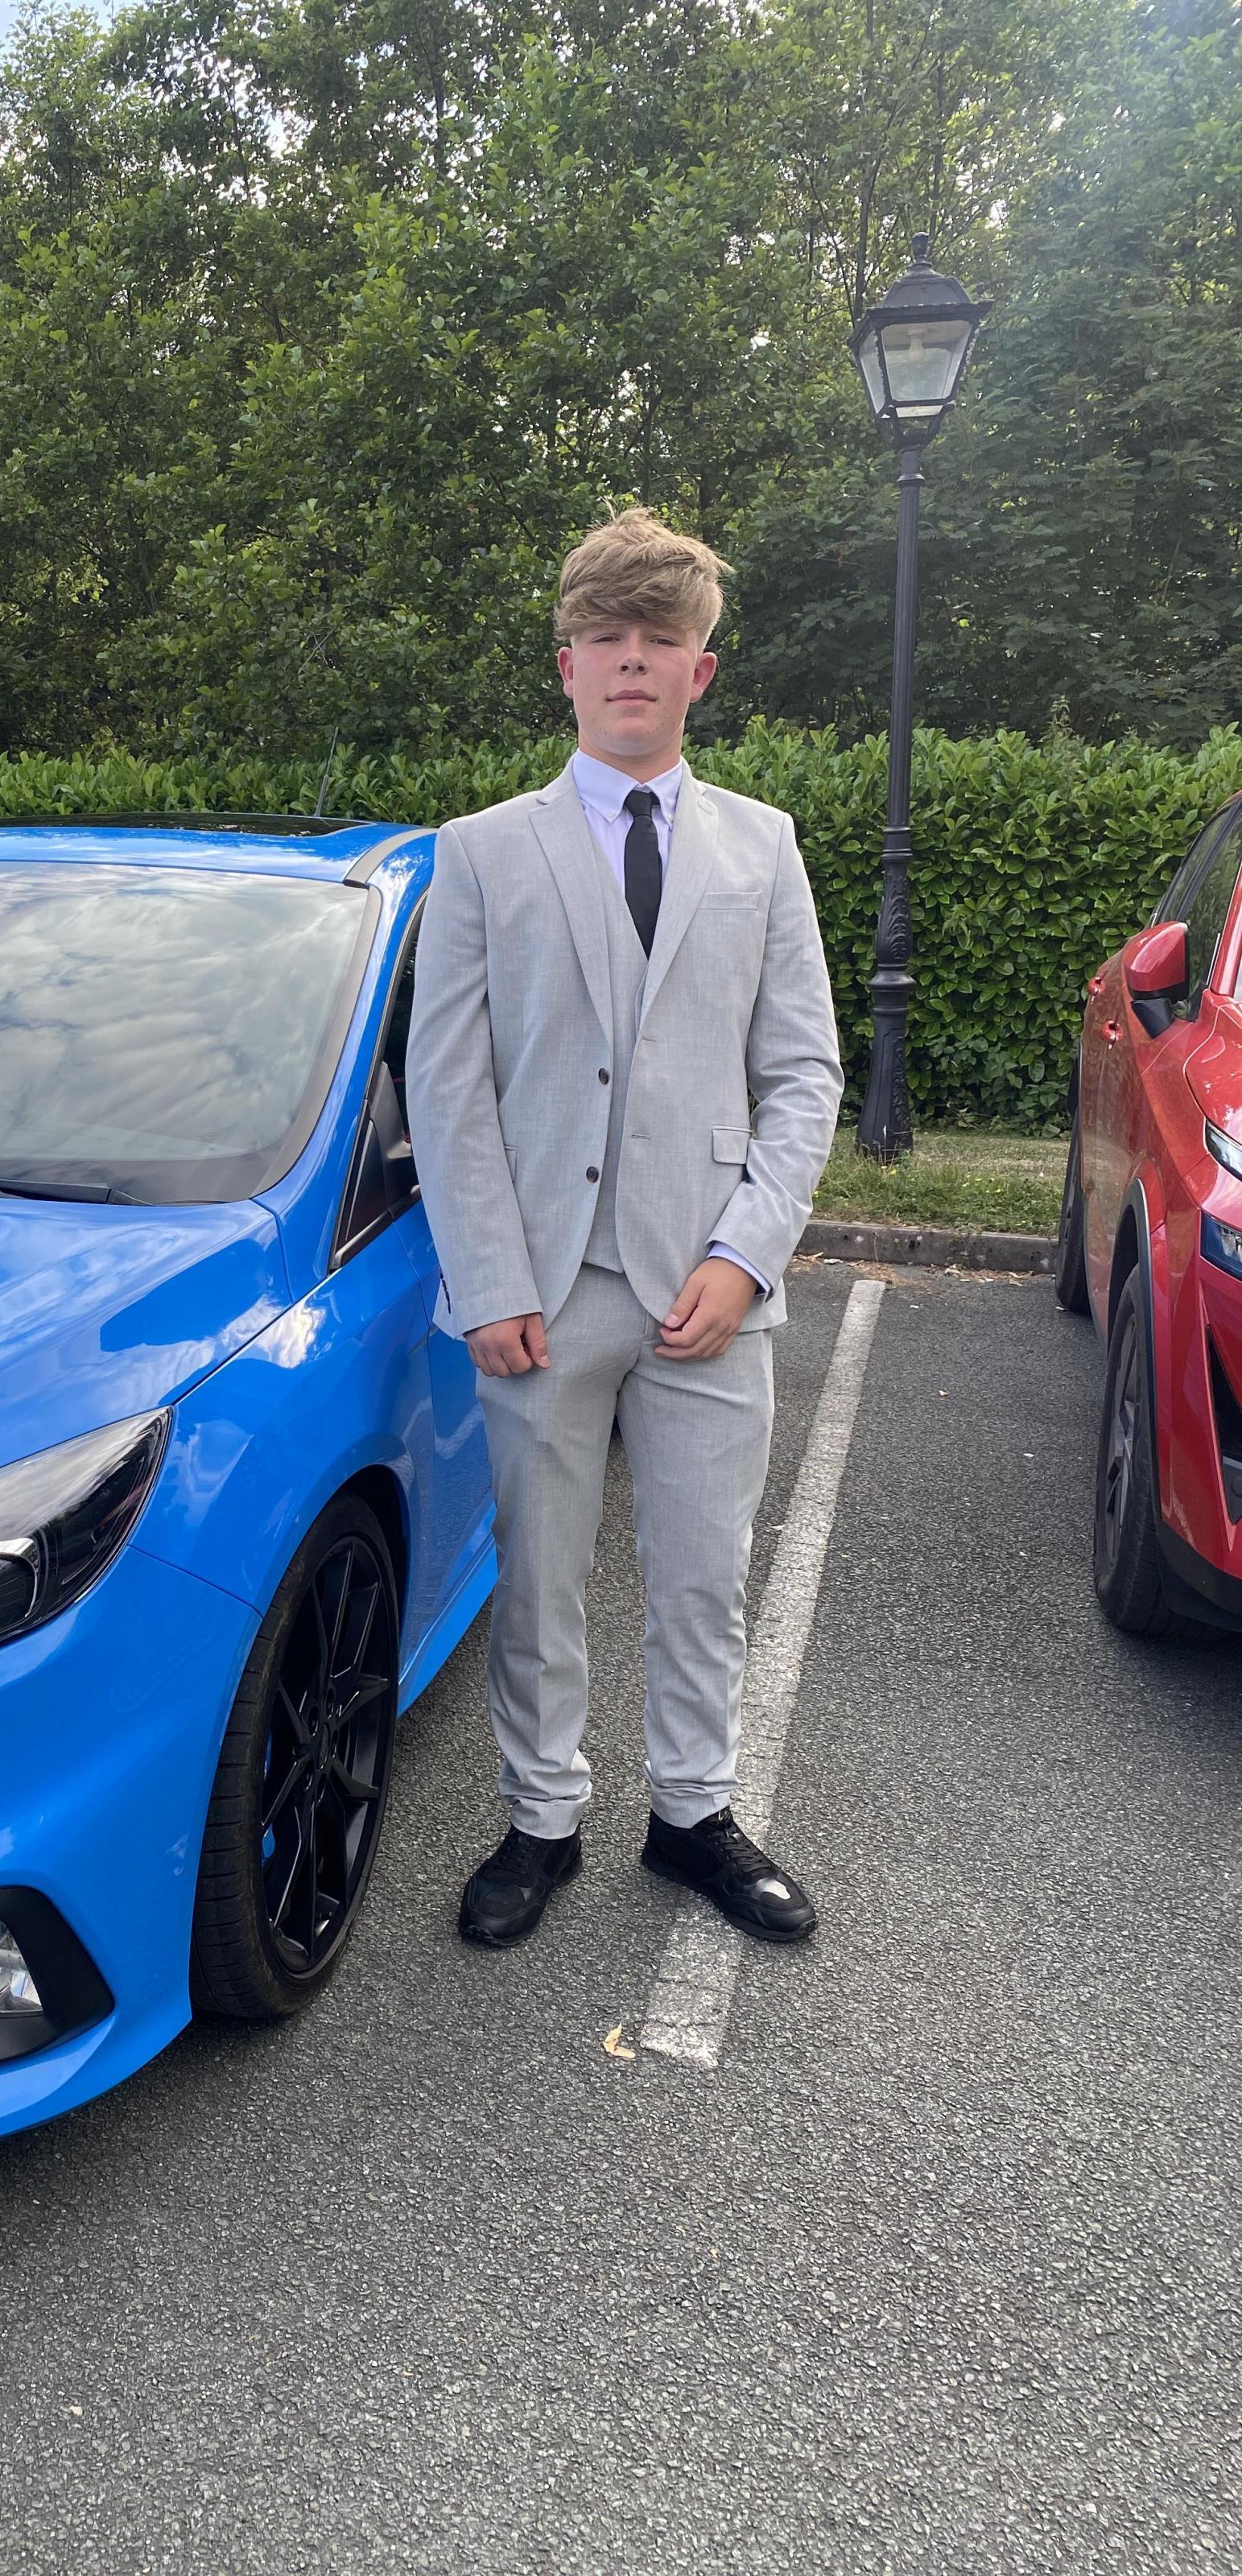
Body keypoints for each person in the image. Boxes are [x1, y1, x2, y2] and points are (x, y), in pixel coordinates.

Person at [405, 508, 843, 1951]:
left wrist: (746, 1254)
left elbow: (803, 1075)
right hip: (540, 1285)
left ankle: (693, 1817)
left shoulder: (763, 848)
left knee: (706, 1572)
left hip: (708, 1284)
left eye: (665, 641)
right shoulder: (476, 854)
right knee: (534, 1575)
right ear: (568, 665)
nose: (636, 663)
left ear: (701, 673)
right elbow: (448, 1084)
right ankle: (541, 1820)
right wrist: (486, 1276)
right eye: (611, 640)